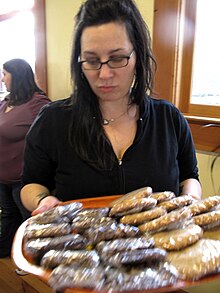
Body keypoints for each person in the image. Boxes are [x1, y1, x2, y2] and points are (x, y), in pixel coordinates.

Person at [20, 0, 201, 217]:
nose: (104, 75)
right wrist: (43, 200)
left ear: (138, 55)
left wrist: (190, 200)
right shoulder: (53, 120)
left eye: (117, 58)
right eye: (92, 60)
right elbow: (31, 184)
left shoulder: (168, 118)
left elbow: (189, 177)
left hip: (161, 247)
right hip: (82, 248)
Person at [0, 58, 50, 257]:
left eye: (5, 74)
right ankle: (7, 253)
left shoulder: (37, 103)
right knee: (8, 217)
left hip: (22, 180)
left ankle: (33, 260)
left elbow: (51, 137)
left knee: (30, 224)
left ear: (17, 75)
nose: (2, 79)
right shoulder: (6, 102)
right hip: (3, 176)